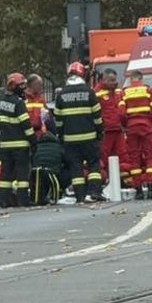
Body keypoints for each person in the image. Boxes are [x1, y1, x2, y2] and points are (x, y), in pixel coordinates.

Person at [54, 62, 105, 203]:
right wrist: (100, 132)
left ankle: (80, 196)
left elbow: (58, 120)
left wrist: (61, 135)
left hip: (70, 140)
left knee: (75, 168)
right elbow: (97, 116)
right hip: (90, 138)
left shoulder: (61, 95)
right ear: (83, 75)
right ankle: (94, 192)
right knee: (94, 165)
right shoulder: (89, 92)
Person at [0, 73, 35, 207]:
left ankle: (3, 201)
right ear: (13, 86)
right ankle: (23, 200)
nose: (23, 89)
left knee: (5, 174)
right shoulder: (18, 103)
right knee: (22, 175)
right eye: (20, 86)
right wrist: (33, 141)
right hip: (20, 145)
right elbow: (26, 125)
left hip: (5, 146)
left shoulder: (0, 103)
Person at [119, 69, 152, 199]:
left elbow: (121, 113)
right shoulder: (148, 90)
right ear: (141, 78)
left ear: (131, 79)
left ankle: (138, 191)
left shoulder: (124, 92)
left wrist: (127, 125)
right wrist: (148, 121)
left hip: (131, 128)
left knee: (134, 158)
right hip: (146, 126)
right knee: (150, 156)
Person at [94, 68, 126, 187]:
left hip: (118, 129)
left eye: (115, 80)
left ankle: (122, 181)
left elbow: (123, 107)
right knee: (104, 156)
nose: (114, 82)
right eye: (111, 80)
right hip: (105, 131)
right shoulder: (96, 92)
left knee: (122, 156)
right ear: (104, 79)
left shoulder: (118, 91)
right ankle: (105, 182)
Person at [31, 131, 68, 205]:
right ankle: (60, 190)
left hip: (37, 172)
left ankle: (41, 196)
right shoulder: (59, 146)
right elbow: (66, 160)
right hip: (53, 173)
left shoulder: (37, 146)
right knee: (68, 169)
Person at [24, 74, 47, 140]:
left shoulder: (41, 99)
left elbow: (47, 117)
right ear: (31, 85)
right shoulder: (23, 98)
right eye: (39, 84)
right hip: (27, 136)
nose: (41, 87)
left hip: (40, 136)